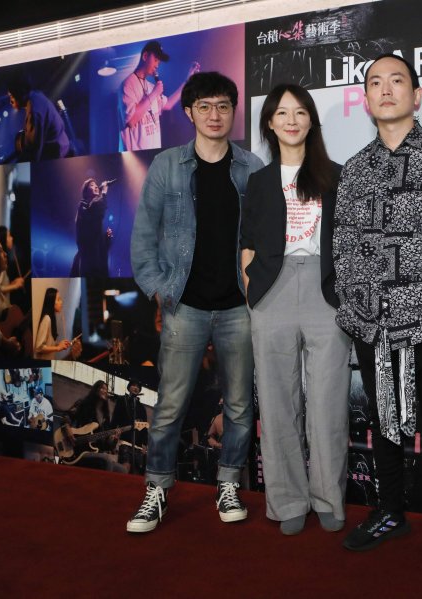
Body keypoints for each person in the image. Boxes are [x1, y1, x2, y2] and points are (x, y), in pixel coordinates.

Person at [333, 53, 422, 571]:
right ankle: (390, 511)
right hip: (371, 322)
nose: (386, 89)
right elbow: (342, 248)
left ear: (416, 95)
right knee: (383, 420)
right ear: (366, 99)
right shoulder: (354, 170)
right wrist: (355, 309)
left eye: (397, 80)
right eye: (375, 82)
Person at [129, 71, 264, 533]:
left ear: (233, 111)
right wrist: (160, 290)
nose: (214, 114)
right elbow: (142, 238)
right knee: (170, 405)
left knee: (239, 405)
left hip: (238, 307)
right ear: (189, 112)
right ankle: (156, 489)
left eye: (223, 106)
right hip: (184, 306)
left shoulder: (252, 167)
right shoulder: (167, 165)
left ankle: (228, 484)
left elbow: (264, 238)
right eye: (204, 106)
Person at [241, 83, 351, 535]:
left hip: (326, 292)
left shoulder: (337, 175)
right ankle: (287, 501)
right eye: (282, 113)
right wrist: (252, 292)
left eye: (300, 112)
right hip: (273, 291)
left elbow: (351, 242)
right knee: (277, 402)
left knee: (327, 403)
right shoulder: (259, 182)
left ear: (311, 121)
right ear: (269, 123)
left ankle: (328, 498)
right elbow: (247, 243)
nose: (291, 120)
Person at [120, 40, 200, 152]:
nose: (157, 64)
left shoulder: (151, 86)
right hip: (136, 156)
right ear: (145, 56)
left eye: (159, 61)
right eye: (156, 59)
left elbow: (169, 104)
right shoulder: (128, 84)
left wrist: (187, 81)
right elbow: (131, 120)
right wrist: (153, 94)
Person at [6, 73, 70, 162]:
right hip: (61, 148)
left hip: (57, 155)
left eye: (11, 96)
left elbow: (34, 154)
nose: (10, 101)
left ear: (19, 92)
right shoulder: (36, 96)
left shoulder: (34, 111)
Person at [68, 380, 128, 473]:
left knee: (122, 470)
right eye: (102, 388)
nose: (105, 391)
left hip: (95, 451)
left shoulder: (105, 416)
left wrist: (115, 439)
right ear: (95, 390)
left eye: (106, 390)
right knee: (106, 460)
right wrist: (67, 430)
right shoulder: (83, 404)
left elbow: (107, 446)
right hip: (78, 450)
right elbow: (66, 416)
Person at [72, 178, 113, 277]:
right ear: (85, 192)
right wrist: (104, 193)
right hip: (89, 263)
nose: (96, 186)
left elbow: (100, 244)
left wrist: (107, 238)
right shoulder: (83, 207)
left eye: (96, 185)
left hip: (99, 262)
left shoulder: (94, 210)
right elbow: (97, 209)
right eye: (92, 185)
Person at [34, 287, 73, 359]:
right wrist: (58, 348)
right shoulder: (47, 319)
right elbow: (39, 347)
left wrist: (59, 344)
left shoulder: (52, 318)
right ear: (51, 302)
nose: (61, 302)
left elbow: (48, 344)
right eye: (58, 299)